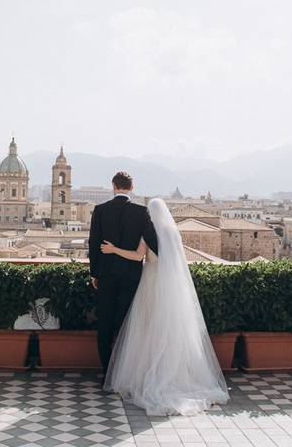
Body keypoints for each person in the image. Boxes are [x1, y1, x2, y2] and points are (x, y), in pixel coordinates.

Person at [100, 196, 229, 416]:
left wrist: (114, 250)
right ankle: (171, 373)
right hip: (170, 284)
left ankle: (147, 374)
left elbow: (137, 256)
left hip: (150, 282)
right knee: (169, 330)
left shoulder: (148, 233)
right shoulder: (173, 234)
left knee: (147, 328)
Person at [89, 171, 159, 372]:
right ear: (132, 188)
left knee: (105, 323)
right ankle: (123, 372)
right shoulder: (141, 212)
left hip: (105, 274)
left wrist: (94, 273)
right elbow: (152, 242)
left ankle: (106, 372)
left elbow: (94, 244)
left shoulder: (100, 210)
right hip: (131, 275)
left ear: (113, 186)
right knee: (126, 323)